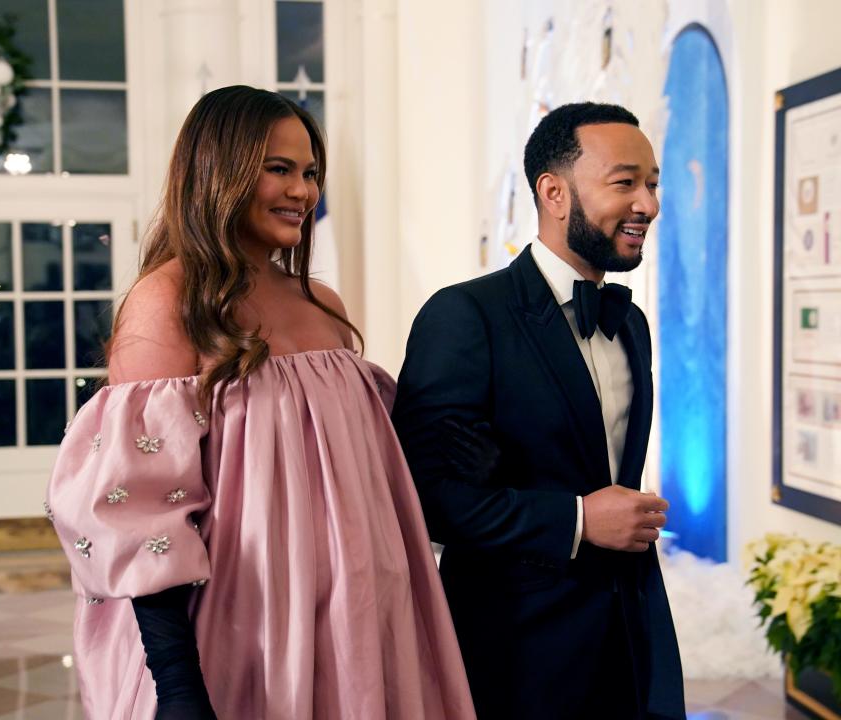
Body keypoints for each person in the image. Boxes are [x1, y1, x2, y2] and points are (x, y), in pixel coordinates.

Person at [46, 86, 475, 720]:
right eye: (279, 169)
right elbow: (133, 505)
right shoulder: (168, 304)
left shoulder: (323, 306)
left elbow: (364, 470)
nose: (303, 191)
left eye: (309, 173)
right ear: (218, 172)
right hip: (243, 633)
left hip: (359, 627)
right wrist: (177, 683)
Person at [391, 102, 685, 720]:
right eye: (625, 182)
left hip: (629, 635)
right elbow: (428, 495)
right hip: (516, 652)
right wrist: (577, 519)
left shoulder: (629, 321)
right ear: (554, 192)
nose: (649, 205)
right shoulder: (464, 316)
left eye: (653, 183)